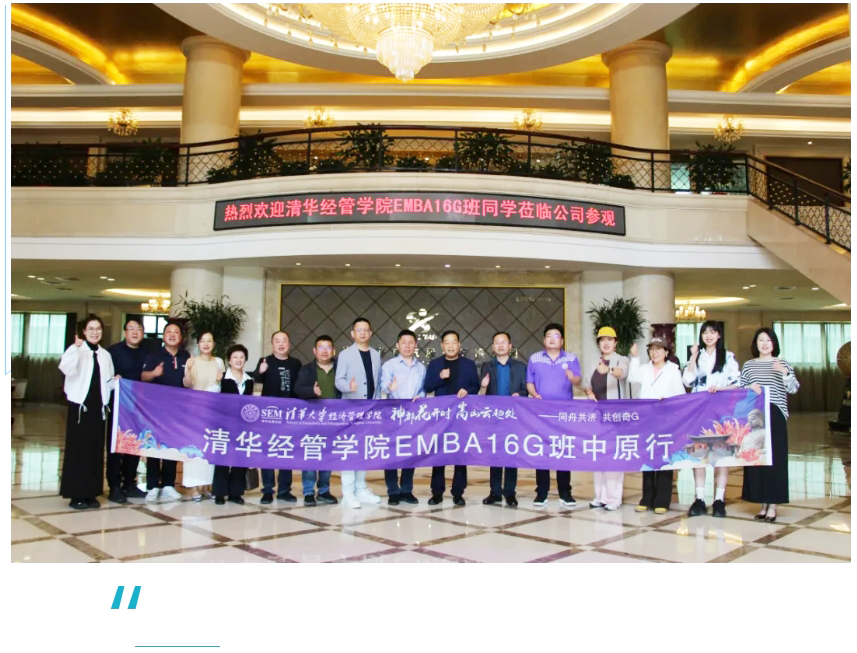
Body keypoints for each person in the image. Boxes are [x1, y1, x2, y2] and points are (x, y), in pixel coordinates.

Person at [740, 328, 799, 523]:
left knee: (775, 460)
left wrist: (784, 373)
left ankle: (772, 505)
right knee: (757, 459)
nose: (764, 344)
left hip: (775, 414)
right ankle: (762, 503)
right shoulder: (749, 366)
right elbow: (740, 390)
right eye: (760, 340)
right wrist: (749, 387)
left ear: (774, 343)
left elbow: (794, 388)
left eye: (768, 340)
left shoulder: (782, 363)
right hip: (755, 416)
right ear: (755, 344)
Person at [682, 320, 740, 518]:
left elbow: (737, 383)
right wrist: (693, 357)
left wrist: (721, 389)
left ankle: (719, 500)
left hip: (722, 410)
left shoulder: (728, 357)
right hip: (699, 410)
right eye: (705, 332)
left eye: (713, 332)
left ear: (719, 335)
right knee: (699, 451)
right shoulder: (697, 356)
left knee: (722, 454)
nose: (708, 336)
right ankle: (699, 498)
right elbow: (687, 380)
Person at [58, 315, 117, 510]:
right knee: (78, 452)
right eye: (91, 329)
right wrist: (75, 348)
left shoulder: (105, 355)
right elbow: (66, 369)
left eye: (98, 328)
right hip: (80, 408)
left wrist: (116, 381)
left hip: (98, 409)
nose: (95, 332)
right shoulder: (76, 350)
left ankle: (91, 493)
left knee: (95, 452)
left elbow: (107, 382)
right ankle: (76, 495)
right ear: (84, 331)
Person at [526, 323, 581, 508]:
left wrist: (573, 378)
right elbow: (529, 382)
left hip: (564, 414)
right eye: (549, 336)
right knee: (541, 451)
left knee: (563, 451)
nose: (552, 339)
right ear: (544, 340)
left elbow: (578, 380)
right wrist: (535, 394)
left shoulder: (571, 358)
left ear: (562, 340)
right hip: (541, 413)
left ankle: (565, 492)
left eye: (556, 336)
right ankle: (541, 492)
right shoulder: (534, 358)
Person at [628, 336, 685, 513]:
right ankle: (646, 498)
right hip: (646, 419)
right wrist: (635, 357)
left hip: (665, 420)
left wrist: (667, 400)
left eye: (659, 349)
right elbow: (632, 378)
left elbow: (680, 396)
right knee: (647, 458)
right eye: (652, 349)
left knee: (663, 459)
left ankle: (662, 500)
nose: (655, 352)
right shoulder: (645, 369)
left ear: (666, 352)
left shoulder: (673, 370)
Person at [424, 330, 480, 506]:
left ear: (459, 344)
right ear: (442, 346)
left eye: (453, 342)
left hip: (462, 417)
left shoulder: (469, 365)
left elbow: (476, 386)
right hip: (441, 418)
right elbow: (427, 387)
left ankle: (458, 493)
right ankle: (437, 493)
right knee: (438, 455)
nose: (450, 345)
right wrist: (440, 377)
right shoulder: (435, 364)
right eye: (446, 342)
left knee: (460, 456)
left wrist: (467, 390)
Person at [334, 318, 383, 509]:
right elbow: (339, 380)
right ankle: (348, 493)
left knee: (364, 450)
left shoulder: (375, 355)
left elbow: (377, 383)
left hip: (369, 410)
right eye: (359, 330)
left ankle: (361, 489)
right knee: (350, 450)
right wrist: (349, 386)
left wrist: (376, 404)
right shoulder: (345, 355)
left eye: (366, 330)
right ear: (352, 334)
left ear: (370, 333)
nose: (363, 333)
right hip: (350, 409)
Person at [141, 320, 190, 503]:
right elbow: (143, 377)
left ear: (181, 337)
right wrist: (154, 374)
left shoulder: (186, 357)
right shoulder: (153, 355)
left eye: (176, 332)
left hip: (177, 410)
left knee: (172, 446)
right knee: (154, 446)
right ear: (163, 336)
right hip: (156, 409)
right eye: (169, 331)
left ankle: (168, 484)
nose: (172, 334)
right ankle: (152, 485)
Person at [582, 326, 629, 511]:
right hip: (597, 416)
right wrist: (589, 392)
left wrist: (608, 369)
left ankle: (614, 498)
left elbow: (621, 373)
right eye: (602, 340)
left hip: (615, 416)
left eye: (610, 340)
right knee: (599, 454)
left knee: (614, 456)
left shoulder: (621, 360)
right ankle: (599, 496)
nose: (606, 343)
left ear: (615, 343)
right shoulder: (593, 362)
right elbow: (586, 383)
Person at [253, 331, 302, 504]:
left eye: (284, 341)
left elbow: (300, 388)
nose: (281, 344)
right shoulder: (265, 361)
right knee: (268, 453)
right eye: (277, 341)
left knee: (286, 452)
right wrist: (260, 372)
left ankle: (284, 490)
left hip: (289, 416)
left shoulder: (296, 363)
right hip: (269, 416)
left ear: (289, 344)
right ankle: (267, 490)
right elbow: (255, 383)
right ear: (272, 344)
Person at [480, 331, 527, 508]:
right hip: (493, 418)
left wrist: (519, 394)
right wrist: (483, 386)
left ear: (510, 345)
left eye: (504, 342)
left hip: (513, 417)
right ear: (493, 347)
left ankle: (510, 493)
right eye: (497, 343)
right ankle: (495, 492)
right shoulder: (486, 366)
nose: (500, 345)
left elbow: (525, 390)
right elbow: (481, 393)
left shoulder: (520, 367)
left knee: (511, 455)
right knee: (495, 455)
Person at [380, 329, 426, 506]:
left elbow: (423, 389)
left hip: (412, 416)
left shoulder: (421, 368)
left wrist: (421, 396)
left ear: (416, 345)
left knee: (410, 453)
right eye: (404, 342)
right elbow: (383, 386)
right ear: (397, 345)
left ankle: (407, 490)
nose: (407, 346)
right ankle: (393, 491)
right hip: (392, 414)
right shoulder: (389, 365)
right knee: (391, 453)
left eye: (411, 342)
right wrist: (389, 387)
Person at [105, 317, 148, 503]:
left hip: (139, 407)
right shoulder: (112, 352)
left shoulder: (147, 352)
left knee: (133, 445)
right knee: (116, 446)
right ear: (125, 332)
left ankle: (130, 483)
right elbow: (105, 377)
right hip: (117, 405)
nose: (135, 332)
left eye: (138, 329)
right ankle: (114, 486)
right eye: (131, 328)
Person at [295, 335, 341, 507]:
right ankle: (308, 492)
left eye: (328, 347)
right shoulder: (306, 370)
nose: (324, 351)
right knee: (311, 455)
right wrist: (311, 391)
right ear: (314, 351)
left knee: (327, 457)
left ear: (333, 350)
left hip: (333, 421)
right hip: (312, 421)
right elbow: (297, 389)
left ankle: (324, 491)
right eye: (320, 347)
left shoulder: (340, 368)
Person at [182, 332, 224, 501]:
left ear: (214, 344)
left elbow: (219, 387)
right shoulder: (192, 361)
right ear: (198, 344)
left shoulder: (219, 362)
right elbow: (187, 384)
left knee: (209, 449)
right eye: (202, 341)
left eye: (209, 341)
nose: (206, 344)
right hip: (194, 411)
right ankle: (193, 488)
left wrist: (219, 380)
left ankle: (206, 486)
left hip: (212, 412)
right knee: (194, 449)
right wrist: (188, 369)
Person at [215, 344, 253, 505]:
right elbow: (212, 397)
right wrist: (217, 382)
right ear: (229, 361)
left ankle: (235, 493)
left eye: (241, 357)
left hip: (242, 425)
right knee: (222, 458)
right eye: (235, 357)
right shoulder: (221, 377)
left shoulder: (249, 380)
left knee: (239, 458)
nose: (238, 360)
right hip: (223, 423)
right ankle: (219, 493)